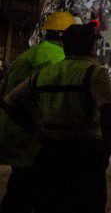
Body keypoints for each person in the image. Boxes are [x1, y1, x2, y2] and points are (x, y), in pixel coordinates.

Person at [2, 23, 111, 213]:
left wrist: (34, 129)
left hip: (50, 153)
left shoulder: (46, 73)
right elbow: (109, 111)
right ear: (90, 46)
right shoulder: (95, 72)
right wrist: (106, 149)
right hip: (84, 153)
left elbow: (9, 102)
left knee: (52, 204)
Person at [0, 11, 75, 213]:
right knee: (31, 191)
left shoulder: (30, 53)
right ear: (66, 36)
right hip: (35, 137)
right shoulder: (57, 59)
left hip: (14, 133)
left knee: (20, 188)